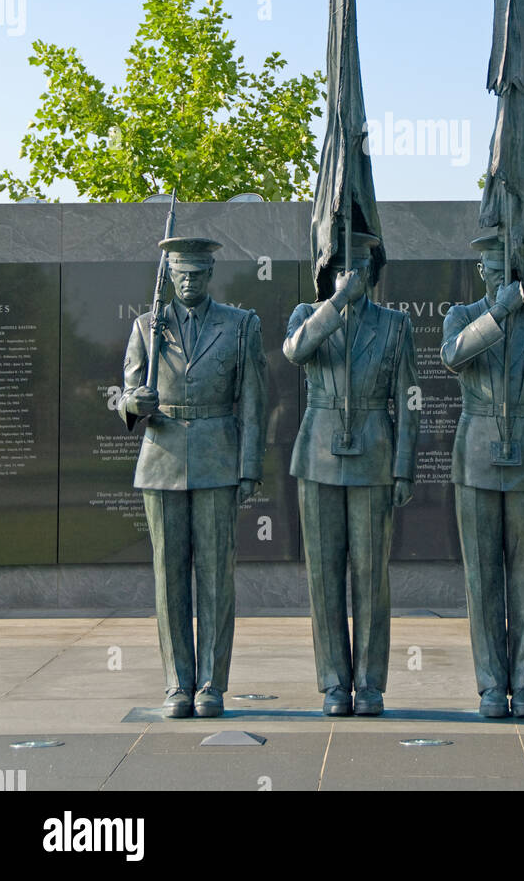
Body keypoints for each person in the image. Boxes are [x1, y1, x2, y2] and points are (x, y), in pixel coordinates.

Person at [118, 236, 267, 718]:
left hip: (218, 457)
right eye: (181, 274)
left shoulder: (241, 326)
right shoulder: (148, 326)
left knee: (217, 577)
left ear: (209, 275)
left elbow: (253, 401)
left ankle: (211, 684)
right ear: (171, 275)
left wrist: (249, 468)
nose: (189, 281)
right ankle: (177, 683)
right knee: (169, 577)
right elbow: (124, 390)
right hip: (161, 458)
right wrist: (130, 404)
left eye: (197, 274)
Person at [283, 231, 418, 717]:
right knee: (323, 576)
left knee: (370, 575)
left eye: (362, 266)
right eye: (344, 266)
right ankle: (335, 683)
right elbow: (295, 352)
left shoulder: (395, 325)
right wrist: (336, 301)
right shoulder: (308, 314)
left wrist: (404, 466)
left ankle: (370, 681)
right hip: (319, 453)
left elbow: (409, 399)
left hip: (374, 454)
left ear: (374, 273)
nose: (354, 273)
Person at [440, 232, 524, 720]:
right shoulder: (462, 317)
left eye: (509, 274)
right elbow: (453, 357)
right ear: (481, 272)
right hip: (476, 459)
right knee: (482, 580)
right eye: (493, 273)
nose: (502, 282)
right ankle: (492, 686)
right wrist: (496, 312)